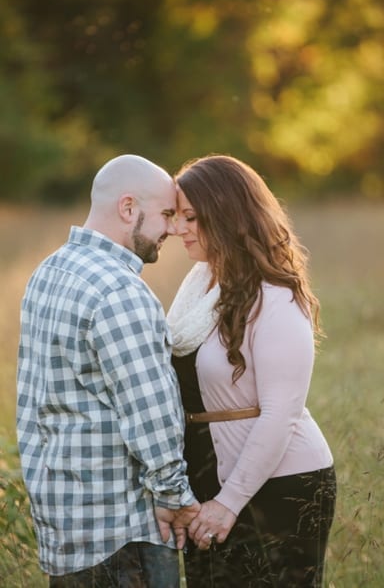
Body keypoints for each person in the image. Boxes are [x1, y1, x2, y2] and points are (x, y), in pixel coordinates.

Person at [16, 154, 200, 587]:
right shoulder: (119, 291)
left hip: (65, 522)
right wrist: (177, 497)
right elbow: (150, 413)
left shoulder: (49, 271)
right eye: (167, 215)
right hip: (121, 530)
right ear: (128, 208)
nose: (173, 229)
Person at [166, 154, 336, 586]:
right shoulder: (200, 288)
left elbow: (283, 413)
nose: (176, 228)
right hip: (210, 477)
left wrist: (230, 501)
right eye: (174, 216)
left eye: (190, 217)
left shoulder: (275, 298)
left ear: (224, 214)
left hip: (281, 484)